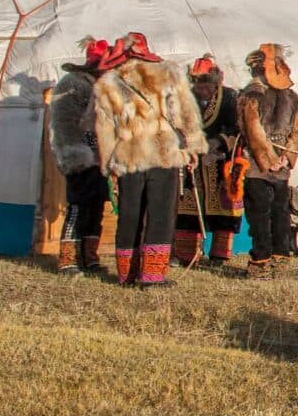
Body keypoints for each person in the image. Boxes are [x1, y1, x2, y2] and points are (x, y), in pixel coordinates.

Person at [94, 31, 203, 287]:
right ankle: (152, 277)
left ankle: (126, 274)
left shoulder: (109, 83)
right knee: (161, 213)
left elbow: (104, 128)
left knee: (129, 214)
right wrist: (191, 148)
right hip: (161, 153)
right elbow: (184, 115)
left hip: (128, 156)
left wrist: (109, 163)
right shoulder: (167, 74)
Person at [237, 42, 298, 276]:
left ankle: (261, 261)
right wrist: (286, 157)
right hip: (281, 166)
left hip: (258, 166)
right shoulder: (294, 97)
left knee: (260, 213)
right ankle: (281, 257)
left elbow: (253, 131)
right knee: (280, 211)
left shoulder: (252, 96)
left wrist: (271, 159)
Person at [173, 55, 247, 267]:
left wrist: (219, 142)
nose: (201, 88)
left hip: (220, 160)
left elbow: (237, 127)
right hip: (192, 161)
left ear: (216, 82)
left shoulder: (229, 97)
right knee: (188, 209)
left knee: (223, 209)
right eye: (197, 82)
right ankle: (188, 255)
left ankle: (219, 256)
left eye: (206, 83)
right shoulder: (185, 98)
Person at [48, 39, 113, 276]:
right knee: (78, 206)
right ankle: (68, 259)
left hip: (99, 157)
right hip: (80, 155)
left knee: (95, 206)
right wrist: (77, 154)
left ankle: (89, 257)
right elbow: (63, 124)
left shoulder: (99, 84)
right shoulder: (72, 84)